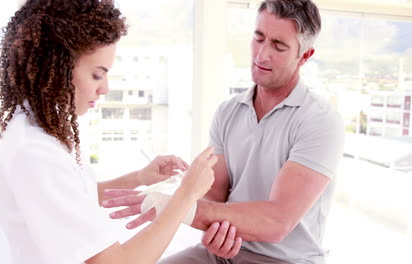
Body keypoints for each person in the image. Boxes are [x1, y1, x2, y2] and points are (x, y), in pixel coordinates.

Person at [102, 0, 345, 263]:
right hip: (222, 253)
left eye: (278, 46)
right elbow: (213, 196)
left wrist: (169, 206)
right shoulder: (229, 112)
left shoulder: (320, 121)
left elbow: (276, 221)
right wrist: (213, 231)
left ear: (304, 56)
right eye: (259, 38)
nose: (262, 54)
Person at [0, 1, 217, 264]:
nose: (105, 89)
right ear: (56, 68)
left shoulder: (36, 130)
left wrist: (139, 177)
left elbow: (73, 196)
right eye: (97, 75)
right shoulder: (36, 151)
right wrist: (186, 195)